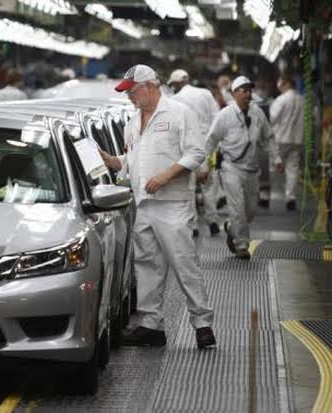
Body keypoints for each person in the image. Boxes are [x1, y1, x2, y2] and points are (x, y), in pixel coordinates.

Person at [100, 64, 216, 349]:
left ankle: (202, 324)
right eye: (127, 92)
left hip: (172, 204)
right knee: (147, 266)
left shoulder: (179, 113)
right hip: (144, 204)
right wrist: (111, 161)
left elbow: (196, 153)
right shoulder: (132, 122)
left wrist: (166, 176)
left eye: (132, 91)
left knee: (183, 263)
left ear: (150, 86)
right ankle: (151, 326)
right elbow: (132, 162)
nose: (129, 97)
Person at [202, 76, 283, 259]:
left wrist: (276, 158)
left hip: (252, 169)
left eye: (249, 91)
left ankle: (231, 227)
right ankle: (241, 245)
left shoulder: (257, 113)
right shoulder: (225, 115)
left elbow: (268, 137)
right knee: (237, 208)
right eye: (244, 91)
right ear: (234, 94)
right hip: (231, 167)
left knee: (250, 211)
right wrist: (204, 167)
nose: (248, 94)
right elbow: (210, 141)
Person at [168, 69, 221, 236]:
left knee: (189, 188)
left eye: (173, 85)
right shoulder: (206, 93)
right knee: (209, 185)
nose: (172, 89)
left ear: (177, 83)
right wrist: (215, 145)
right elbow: (217, 118)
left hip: (187, 149)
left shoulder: (174, 100)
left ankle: (194, 225)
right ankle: (213, 221)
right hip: (208, 147)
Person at [269, 74, 304, 211]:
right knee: (292, 168)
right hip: (297, 139)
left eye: (280, 83)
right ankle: (291, 197)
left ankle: (266, 194)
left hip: (280, 138)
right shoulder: (302, 99)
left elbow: (272, 118)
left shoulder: (281, 99)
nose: (278, 86)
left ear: (287, 83)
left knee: (273, 167)